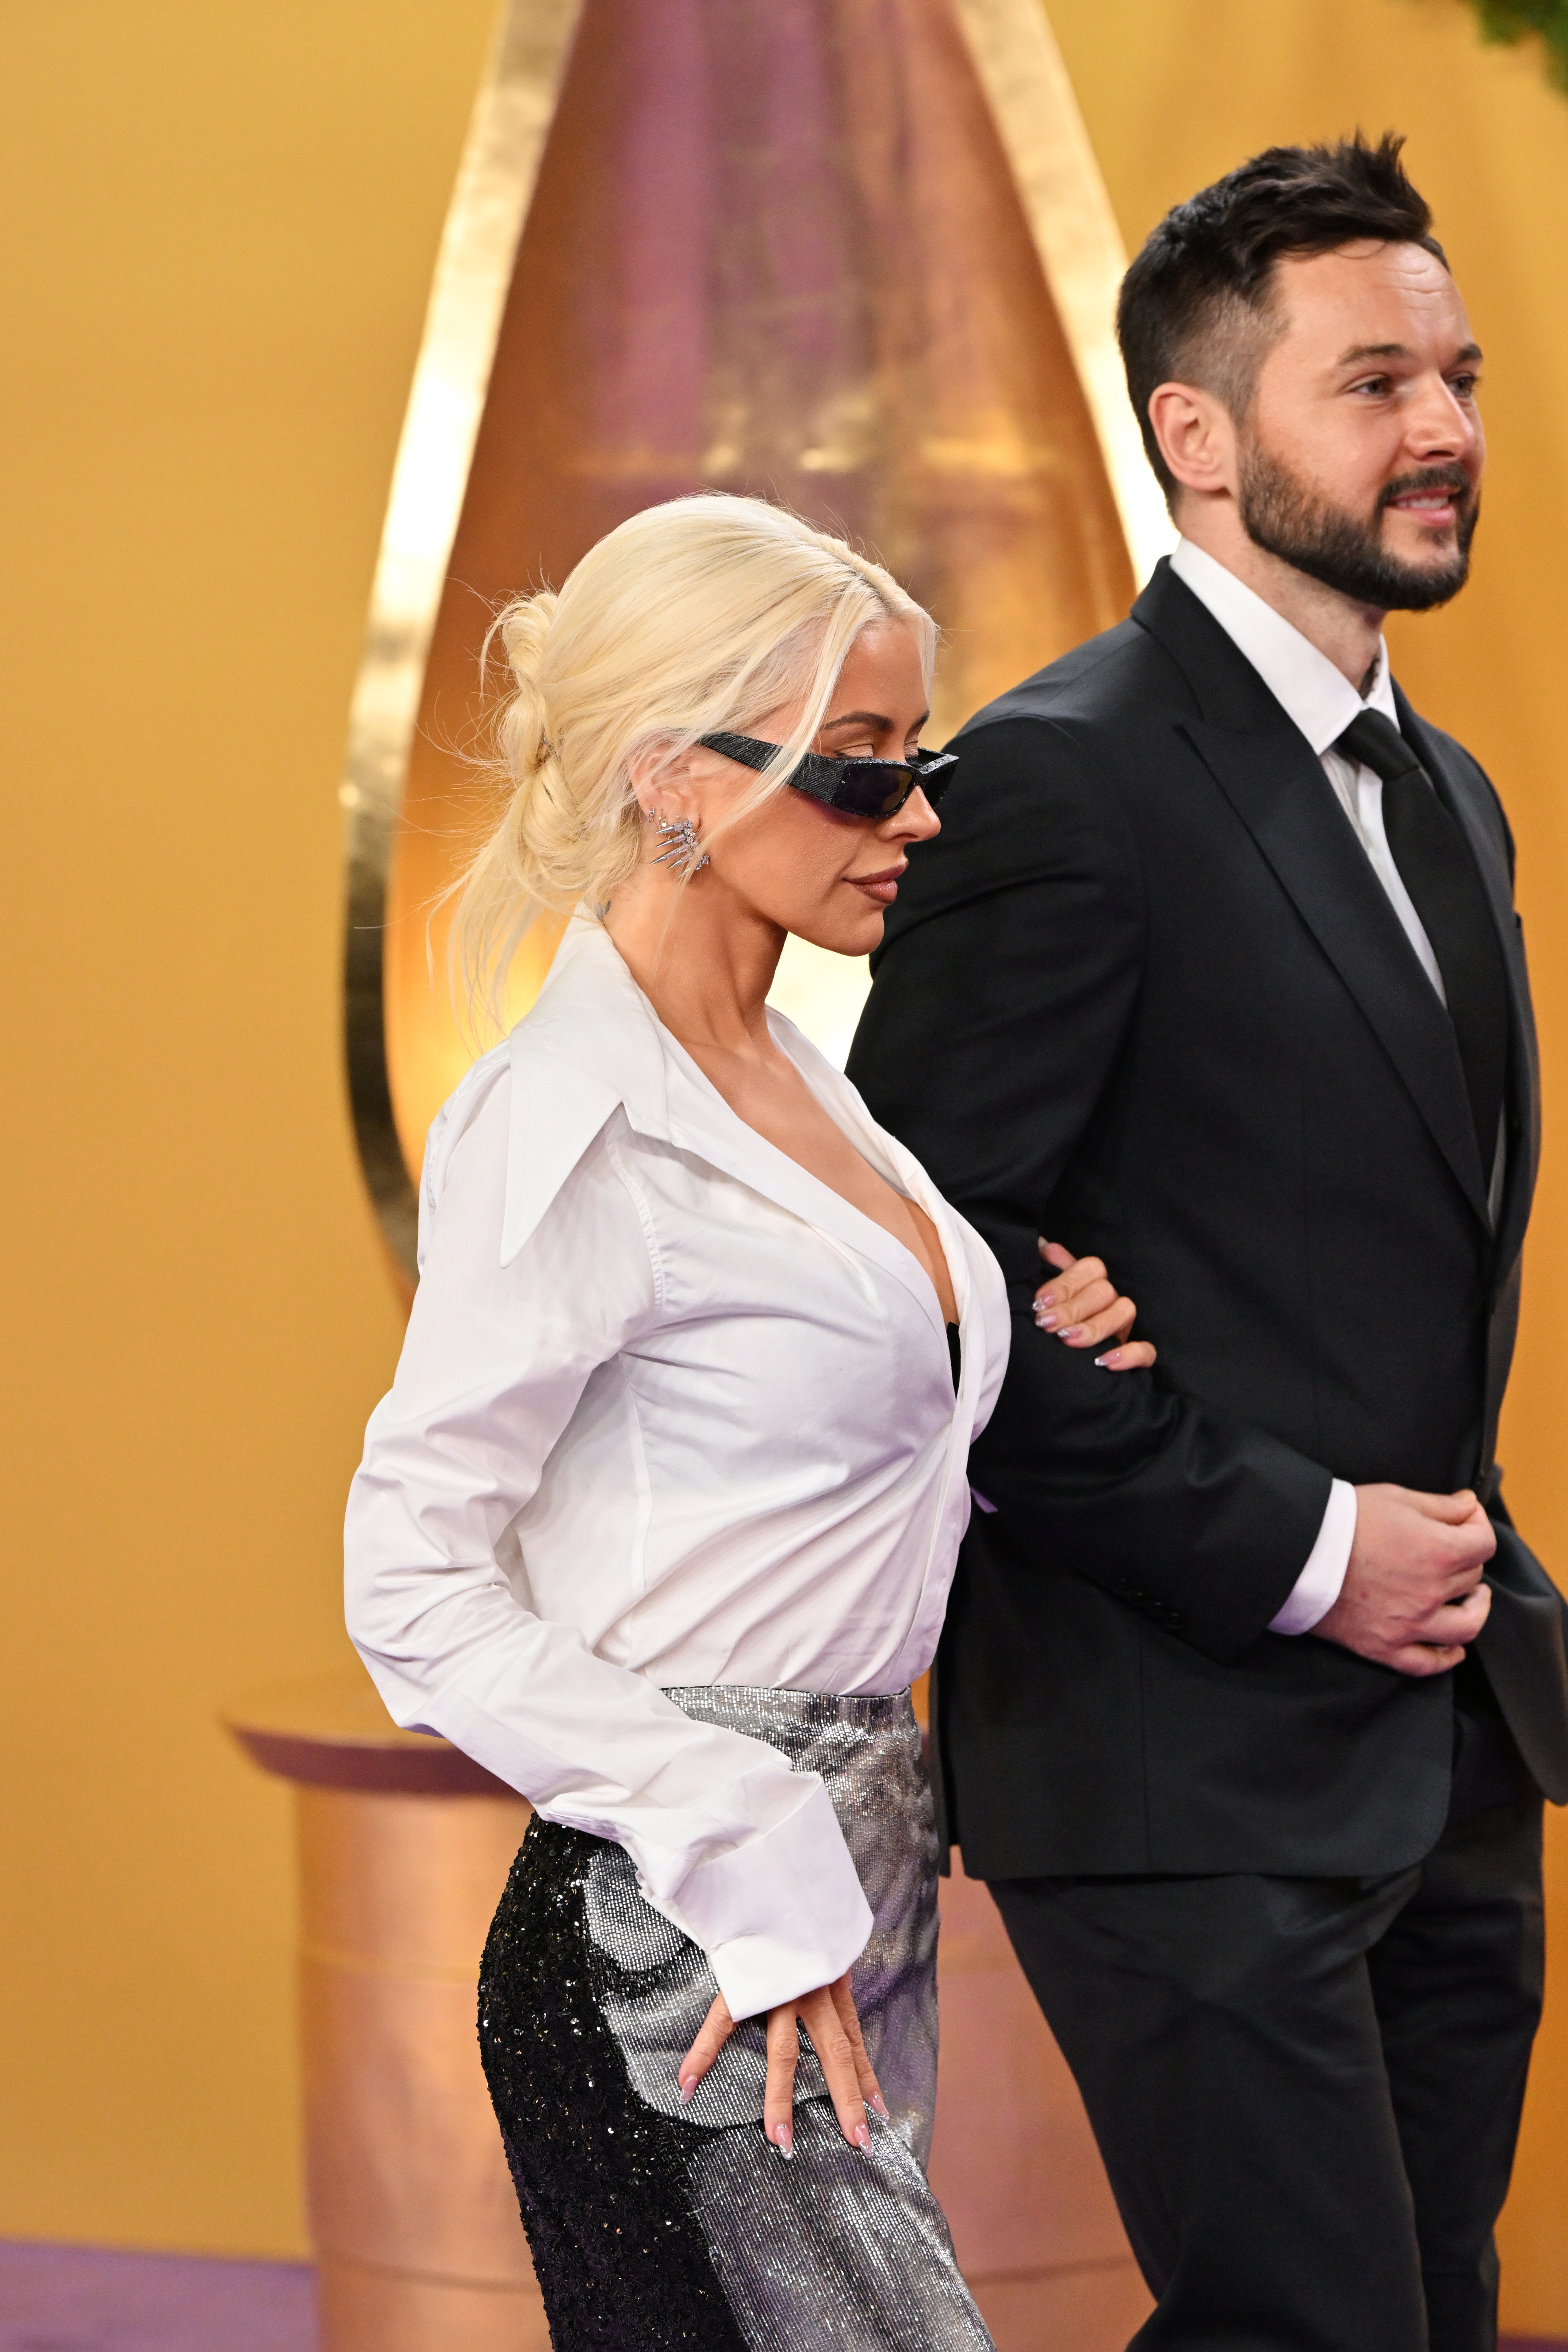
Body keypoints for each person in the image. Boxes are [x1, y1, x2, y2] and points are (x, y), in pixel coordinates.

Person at [848, 134, 1568, 2352]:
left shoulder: (1443, 794)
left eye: (1449, 374)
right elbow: (913, 1292)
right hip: (1169, 1747)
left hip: (1443, 1746)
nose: (1441, 427)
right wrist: (1293, 1545)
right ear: (1198, 435)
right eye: (1369, 384)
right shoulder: (1054, 784)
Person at [343, 495, 1150, 2349]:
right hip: (678, 1931)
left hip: (846, 1881)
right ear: (675, 780)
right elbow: (407, 1574)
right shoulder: (567, 1117)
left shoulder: (807, 1079)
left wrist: (1007, 1332)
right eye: (860, 769)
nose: (921, 814)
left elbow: (822, 1441)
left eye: (917, 756)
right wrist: (732, 1822)